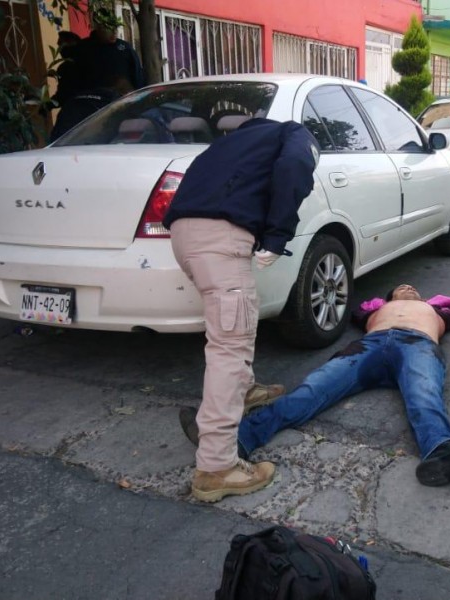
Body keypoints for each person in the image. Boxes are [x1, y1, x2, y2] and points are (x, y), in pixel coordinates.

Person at [179, 284, 450, 487]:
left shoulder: (436, 309)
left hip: (417, 344)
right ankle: (238, 439)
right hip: (369, 347)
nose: (409, 290)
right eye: (401, 290)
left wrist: (434, 304)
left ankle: (442, 454)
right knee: (311, 391)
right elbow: (358, 312)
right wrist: (380, 304)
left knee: (424, 394)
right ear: (388, 298)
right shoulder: (376, 310)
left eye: (413, 289)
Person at [163, 118, 320, 502]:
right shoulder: (292, 132)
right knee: (229, 346)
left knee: (227, 330)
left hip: (183, 237)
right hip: (220, 237)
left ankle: (245, 390)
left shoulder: (228, 145)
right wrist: (278, 233)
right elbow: (295, 167)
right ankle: (217, 467)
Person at [75, 7, 144, 95]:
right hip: (92, 103)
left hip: (121, 103)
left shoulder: (125, 49)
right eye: (109, 27)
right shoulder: (83, 49)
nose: (114, 32)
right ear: (98, 27)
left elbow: (138, 79)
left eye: (115, 27)